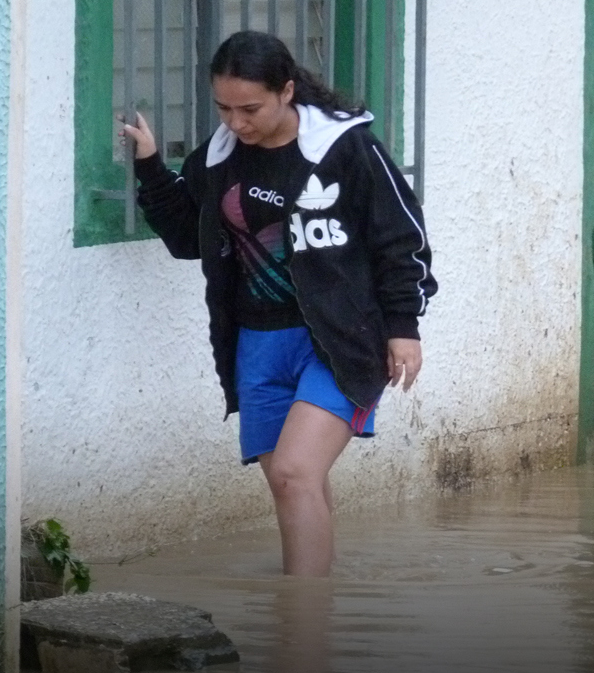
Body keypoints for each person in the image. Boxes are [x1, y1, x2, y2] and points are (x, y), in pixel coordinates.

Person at [121, 30, 437, 578]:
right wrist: (151, 167)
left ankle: (301, 625)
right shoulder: (219, 156)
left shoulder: (345, 147)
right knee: (294, 486)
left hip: (339, 341)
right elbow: (186, 239)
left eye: (250, 109)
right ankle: (311, 631)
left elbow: (400, 237)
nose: (236, 123)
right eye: (223, 108)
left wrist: (403, 325)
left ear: (287, 91)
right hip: (257, 344)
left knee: (294, 472)